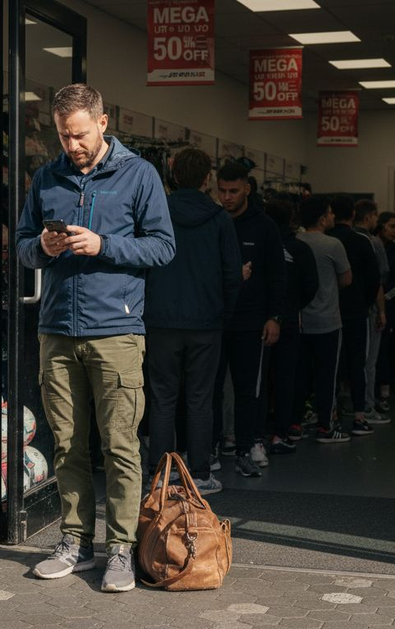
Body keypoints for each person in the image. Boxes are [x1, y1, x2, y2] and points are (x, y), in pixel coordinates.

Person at [16, 83, 175, 592]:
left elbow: (164, 248)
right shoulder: (47, 177)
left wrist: (103, 244)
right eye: (63, 136)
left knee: (121, 445)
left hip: (117, 331)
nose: (72, 145)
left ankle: (122, 550)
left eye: (79, 134)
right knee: (66, 446)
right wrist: (41, 244)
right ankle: (76, 542)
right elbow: (22, 250)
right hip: (57, 330)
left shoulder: (139, 175)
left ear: (103, 123)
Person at [144, 148, 241, 496]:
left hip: (161, 318)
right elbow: (232, 275)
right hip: (206, 321)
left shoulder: (157, 213)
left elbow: (142, 263)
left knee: (162, 397)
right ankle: (200, 472)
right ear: (207, 179)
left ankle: (160, 473)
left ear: (172, 175)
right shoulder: (219, 219)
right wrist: (224, 314)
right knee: (201, 399)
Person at [212, 161, 285, 477]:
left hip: (252, 321)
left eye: (233, 191)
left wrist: (274, 317)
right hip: (215, 321)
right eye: (222, 191)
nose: (227, 197)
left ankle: (246, 446)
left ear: (247, 189)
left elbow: (277, 276)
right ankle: (212, 448)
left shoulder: (265, 226)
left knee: (247, 390)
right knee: (210, 390)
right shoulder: (213, 222)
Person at [296, 196, 353, 443]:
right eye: (330, 213)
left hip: (298, 321)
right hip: (327, 320)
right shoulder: (333, 245)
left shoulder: (294, 242)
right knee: (326, 376)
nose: (333, 217)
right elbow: (346, 279)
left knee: (297, 374)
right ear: (321, 218)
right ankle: (325, 426)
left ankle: (294, 424)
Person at [264, 198, 318, 453]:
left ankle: (255, 434)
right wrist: (293, 305)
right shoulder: (299, 248)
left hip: (261, 320)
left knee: (258, 380)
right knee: (286, 378)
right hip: (288, 321)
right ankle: (280, 433)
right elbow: (311, 285)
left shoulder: (261, 243)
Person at [326, 195, 379, 437]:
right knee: (358, 363)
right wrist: (365, 303)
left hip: (327, 310)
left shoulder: (325, 240)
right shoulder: (362, 241)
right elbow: (373, 279)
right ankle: (359, 415)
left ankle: (329, 414)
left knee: (329, 365)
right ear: (354, 215)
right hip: (356, 311)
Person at [352, 199, 391, 424]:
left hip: (344, 308)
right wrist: (381, 311)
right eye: (376, 216)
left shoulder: (341, 239)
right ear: (368, 217)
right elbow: (378, 281)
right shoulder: (373, 242)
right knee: (369, 360)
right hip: (368, 307)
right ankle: (366, 406)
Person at [375, 211, 395, 410]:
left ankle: (384, 383)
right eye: (392, 226)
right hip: (371, 304)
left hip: (389, 304)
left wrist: (383, 299)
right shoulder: (371, 243)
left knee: (384, 346)